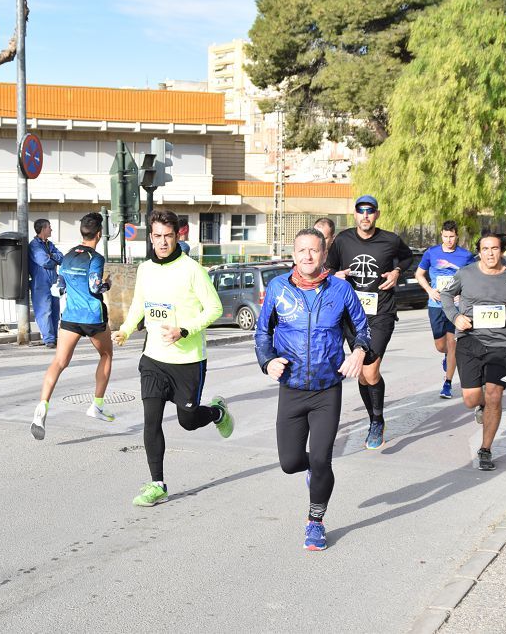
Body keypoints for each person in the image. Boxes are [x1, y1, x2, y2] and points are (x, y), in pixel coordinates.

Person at [255, 228, 370, 551]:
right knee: (291, 462)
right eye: (302, 250)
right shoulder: (278, 288)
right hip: (291, 387)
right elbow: (262, 333)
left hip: (325, 389)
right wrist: (267, 361)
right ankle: (315, 473)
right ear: (294, 254)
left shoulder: (341, 290)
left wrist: (359, 352)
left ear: (324, 255)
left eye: (314, 250)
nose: (308, 256)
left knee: (321, 460)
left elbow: (363, 330)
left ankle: (315, 522)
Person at [112, 209, 234, 506]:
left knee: (188, 421)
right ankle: (157, 484)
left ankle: (216, 413)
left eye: (168, 236)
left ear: (178, 235)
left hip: (189, 360)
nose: (163, 242)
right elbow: (140, 304)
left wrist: (185, 330)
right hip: (154, 358)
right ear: (150, 236)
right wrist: (126, 330)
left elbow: (214, 309)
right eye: (157, 236)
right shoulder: (145, 269)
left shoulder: (192, 270)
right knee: (151, 421)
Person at [326, 195, 413, 450]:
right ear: (355, 214)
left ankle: (376, 421)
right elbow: (329, 268)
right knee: (363, 374)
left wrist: (397, 272)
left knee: (370, 370)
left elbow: (407, 258)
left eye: (370, 211)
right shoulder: (343, 240)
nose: (365, 215)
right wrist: (336, 275)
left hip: (381, 313)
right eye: (360, 211)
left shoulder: (390, 240)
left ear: (377, 214)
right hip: (351, 315)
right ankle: (375, 417)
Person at [441, 234, 506, 471]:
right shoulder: (467, 273)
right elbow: (446, 295)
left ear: (501, 251)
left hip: (499, 345)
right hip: (469, 341)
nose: (490, 253)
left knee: (494, 395)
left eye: (494, 249)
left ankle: (485, 449)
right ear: (479, 251)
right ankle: (481, 407)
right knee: (471, 400)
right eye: (485, 249)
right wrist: (456, 317)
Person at [31, 213, 115, 440]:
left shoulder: (67, 256)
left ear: (82, 233)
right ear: (98, 234)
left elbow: (59, 288)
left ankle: (42, 406)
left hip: (70, 318)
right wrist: (108, 283)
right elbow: (95, 288)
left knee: (59, 362)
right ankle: (96, 405)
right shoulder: (95, 257)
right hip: (92, 317)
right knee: (106, 355)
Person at [415, 220, 477, 399]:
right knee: (440, 346)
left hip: (456, 307)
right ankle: (447, 358)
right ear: (441, 235)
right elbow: (419, 274)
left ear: (457, 236)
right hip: (436, 305)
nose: (449, 240)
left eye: (452, 236)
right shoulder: (431, 253)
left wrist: (463, 294)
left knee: (452, 345)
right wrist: (429, 290)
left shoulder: (465, 256)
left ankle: (447, 383)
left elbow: (474, 277)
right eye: (445, 236)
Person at [29, 219, 64, 348]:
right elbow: (44, 261)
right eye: (49, 227)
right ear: (43, 229)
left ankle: (54, 338)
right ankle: (48, 339)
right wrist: (53, 258)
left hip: (53, 281)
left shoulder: (49, 244)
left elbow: (62, 257)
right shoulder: (34, 245)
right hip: (40, 282)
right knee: (44, 311)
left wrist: (52, 256)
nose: (51, 229)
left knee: (55, 310)